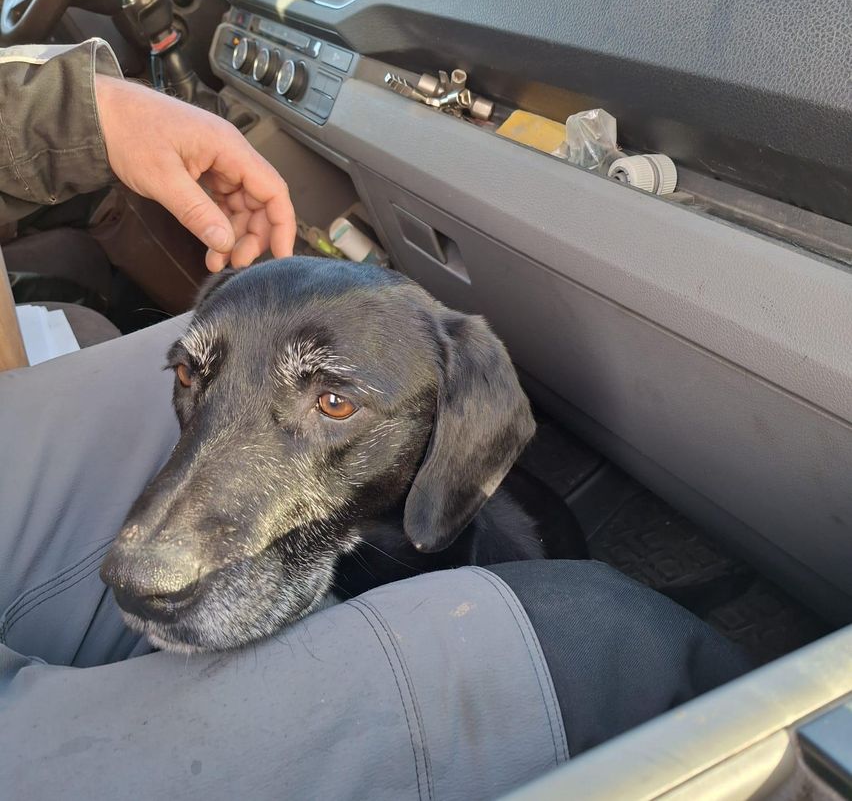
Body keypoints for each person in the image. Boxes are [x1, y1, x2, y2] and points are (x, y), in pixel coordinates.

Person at [0, 40, 752, 799]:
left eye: (331, 401)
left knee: (212, 338)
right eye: (197, 377)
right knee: (601, 631)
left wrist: (81, 114)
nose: (141, 563)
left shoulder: (475, 408)